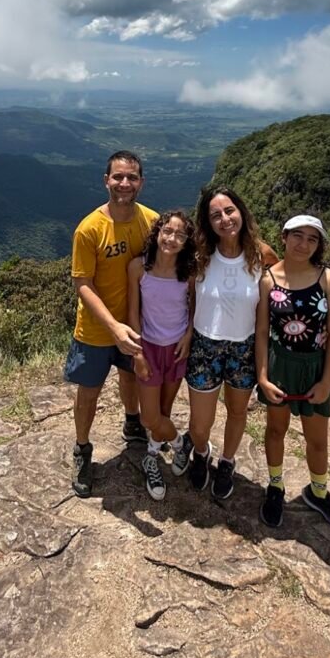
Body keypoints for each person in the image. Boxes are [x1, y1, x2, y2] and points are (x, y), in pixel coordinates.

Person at [173, 186, 277, 500]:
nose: (225, 219)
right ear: (208, 222)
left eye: (229, 210)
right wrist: (188, 332)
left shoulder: (261, 255)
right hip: (205, 345)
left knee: (237, 412)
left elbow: (282, 293)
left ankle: (227, 462)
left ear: (241, 212)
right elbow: (190, 296)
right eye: (215, 215)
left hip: (243, 347)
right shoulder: (200, 255)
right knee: (199, 425)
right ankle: (201, 452)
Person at [64, 151, 158, 497]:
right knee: (89, 392)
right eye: (118, 176)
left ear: (141, 182)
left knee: (131, 377)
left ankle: (132, 422)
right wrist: (113, 327)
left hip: (136, 322)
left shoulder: (152, 221)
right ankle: (82, 448)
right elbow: (82, 284)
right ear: (106, 180)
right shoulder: (89, 229)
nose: (124, 183)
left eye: (131, 177)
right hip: (96, 329)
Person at [255, 215, 330, 531]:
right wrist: (262, 377)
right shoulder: (268, 280)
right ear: (284, 237)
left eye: (312, 239)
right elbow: (261, 332)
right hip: (281, 365)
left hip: (314, 365)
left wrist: (326, 381)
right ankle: (275, 486)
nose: (304, 244)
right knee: (275, 430)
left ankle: (318, 492)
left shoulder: (328, 279)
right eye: (298, 235)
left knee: (317, 440)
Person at [127, 211, 196, 501]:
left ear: (187, 242)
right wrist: (138, 353)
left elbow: (194, 306)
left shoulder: (188, 272)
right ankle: (181, 444)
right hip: (149, 348)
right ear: (157, 232)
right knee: (149, 418)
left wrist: (189, 334)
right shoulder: (138, 268)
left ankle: (152, 458)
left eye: (180, 235)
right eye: (167, 231)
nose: (172, 239)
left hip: (177, 348)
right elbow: (133, 312)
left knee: (163, 412)